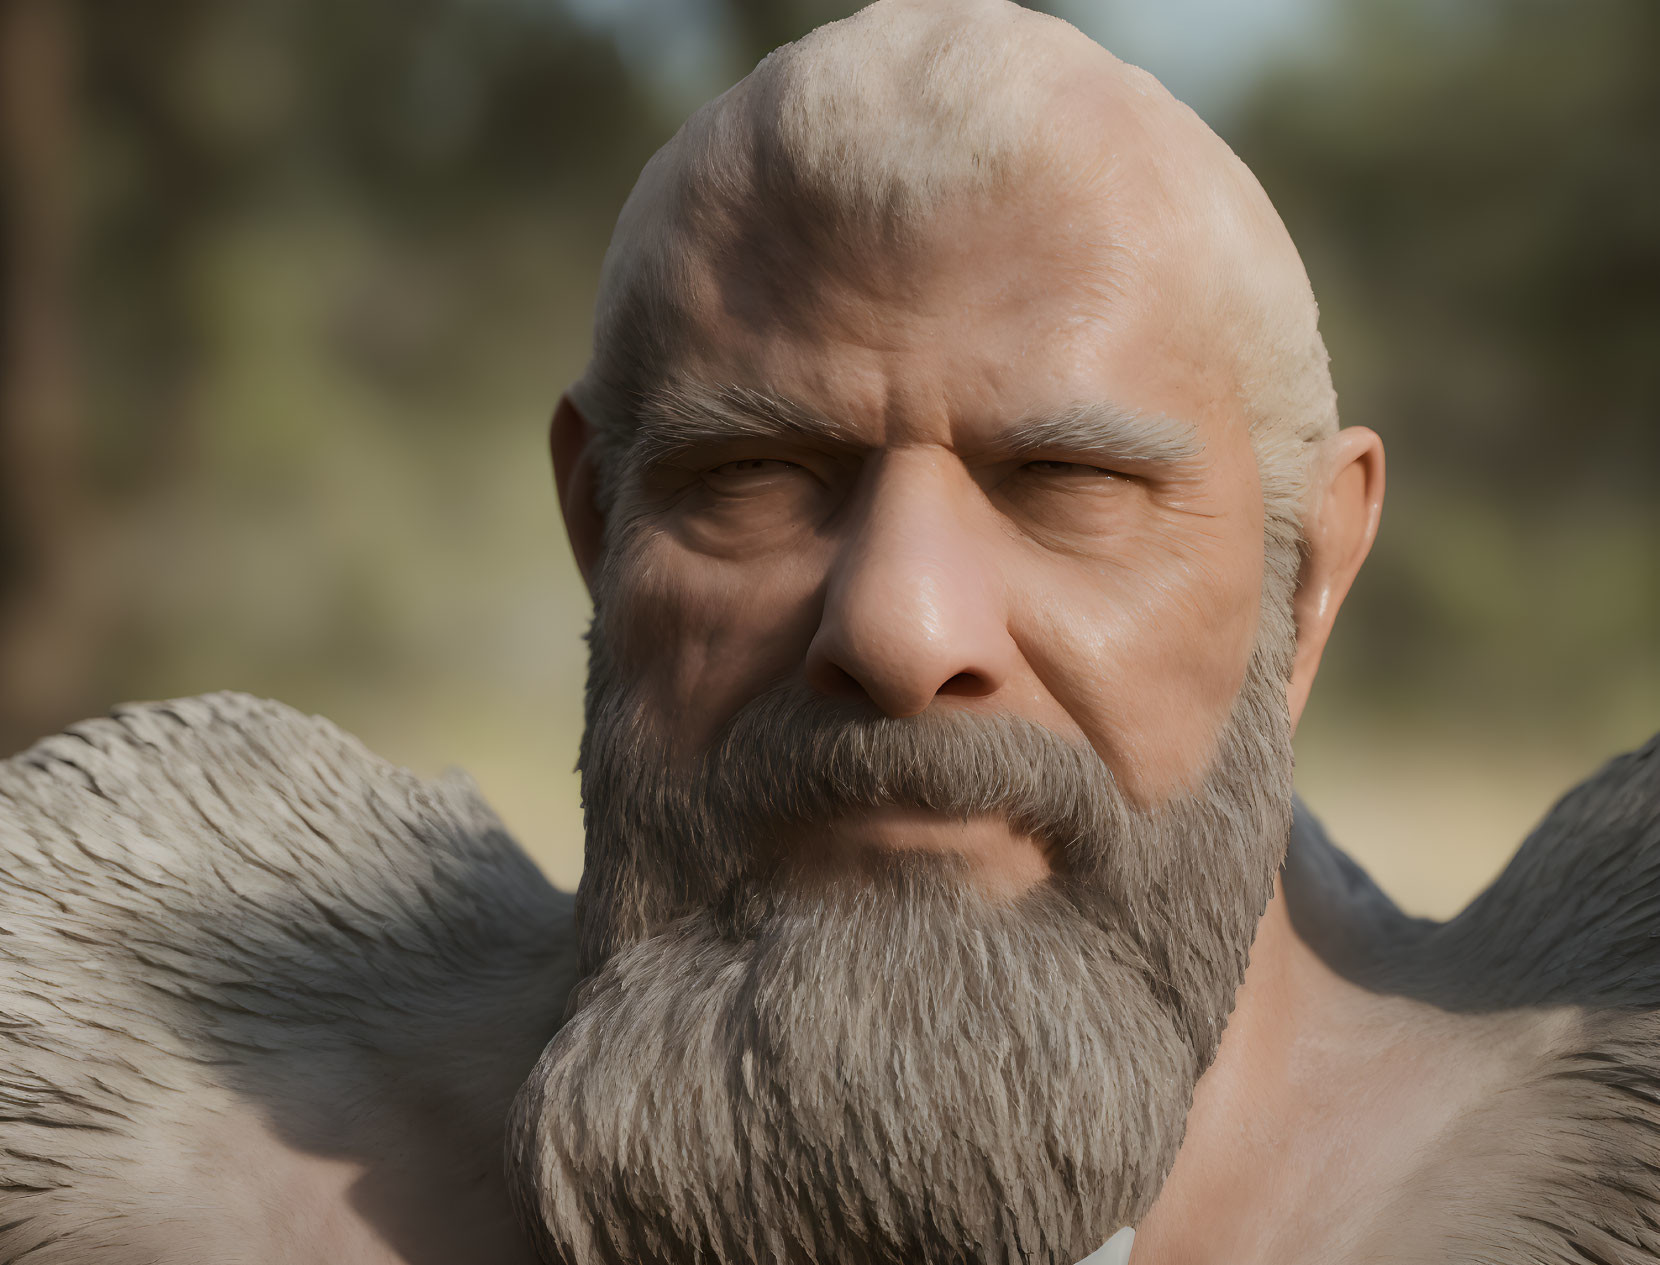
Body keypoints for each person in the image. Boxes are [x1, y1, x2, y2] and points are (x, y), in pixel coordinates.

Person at [1, 2, 1656, 1262]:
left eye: (1066, 478)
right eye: (755, 473)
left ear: (1310, 575)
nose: (898, 623)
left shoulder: (1569, 1172)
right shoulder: (169, 1167)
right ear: (599, 526)